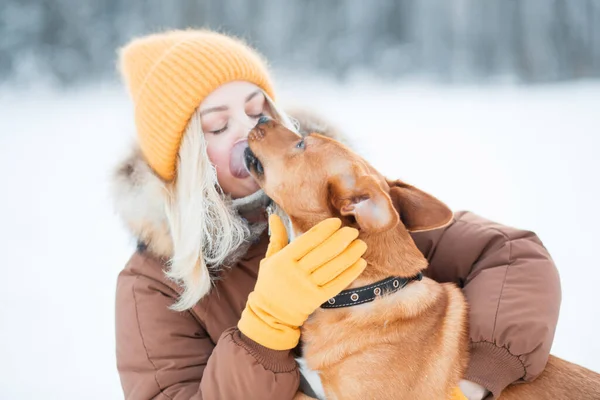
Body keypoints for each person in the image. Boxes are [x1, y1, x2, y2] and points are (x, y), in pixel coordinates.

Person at [113, 29, 561, 400]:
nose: (249, 129)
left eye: (256, 108)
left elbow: (510, 253)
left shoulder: (339, 198)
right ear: (184, 157)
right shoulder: (151, 286)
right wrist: (263, 331)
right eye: (217, 125)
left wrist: (477, 378)